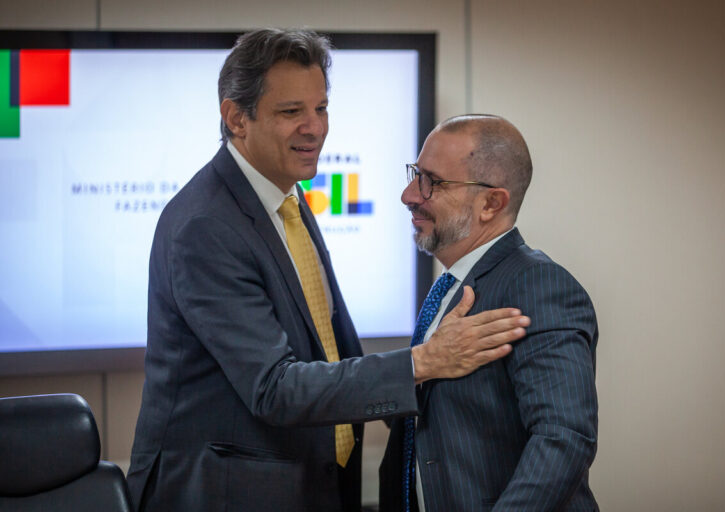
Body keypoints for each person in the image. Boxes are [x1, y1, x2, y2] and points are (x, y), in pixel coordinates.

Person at [126, 30, 530, 512]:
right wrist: (424, 361)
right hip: (224, 494)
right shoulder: (205, 226)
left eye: (321, 108)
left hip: (308, 481)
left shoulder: (285, 194)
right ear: (237, 118)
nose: (314, 128)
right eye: (291, 111)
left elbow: (330, 343)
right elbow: (274, 388)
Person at [379, 115, 599, 511]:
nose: (409, 194)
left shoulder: (538, 284)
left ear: (491, 203)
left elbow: (563, 437)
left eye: (432, 181)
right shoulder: (452, 287)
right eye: (415, 174)